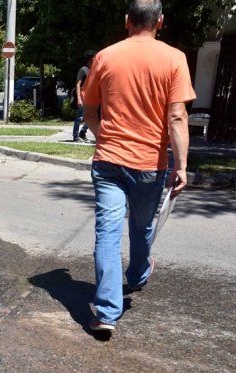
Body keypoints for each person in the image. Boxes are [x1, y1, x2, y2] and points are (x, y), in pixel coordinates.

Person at [82, 0, 195, 332]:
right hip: (149, 164)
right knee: (142, 226)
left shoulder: (105, 57)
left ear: (127, 20)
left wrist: (106, 139)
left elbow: (89, 111)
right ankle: (137, 275)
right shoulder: (175, 59)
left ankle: (106, 314)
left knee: (107, 234)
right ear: (160, 22)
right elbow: (177, 116)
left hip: (108, 162)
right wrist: (181, 166)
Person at [73, 50, 97, 143]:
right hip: (83, 96)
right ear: (90, 59)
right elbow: (78, 84)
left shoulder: (93, 70)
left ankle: (82, 133)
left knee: (91, 117)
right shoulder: (83, 70)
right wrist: (79, 98)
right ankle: (75, 137)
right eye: (95, 57)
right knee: (80, 117)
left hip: (90, 97)